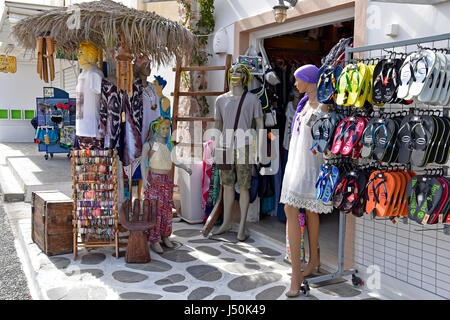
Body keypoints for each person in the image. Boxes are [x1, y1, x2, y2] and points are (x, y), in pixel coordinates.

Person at [280, 64, 333, 297]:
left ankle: (299, 272)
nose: (294, 84)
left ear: (310, 80)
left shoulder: (322, 107)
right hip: (296, 165)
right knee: (298, 211)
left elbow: (324, 142)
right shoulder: (302, 106)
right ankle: (310, 262)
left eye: (297, 79)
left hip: (310, 167)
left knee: (308, 212)